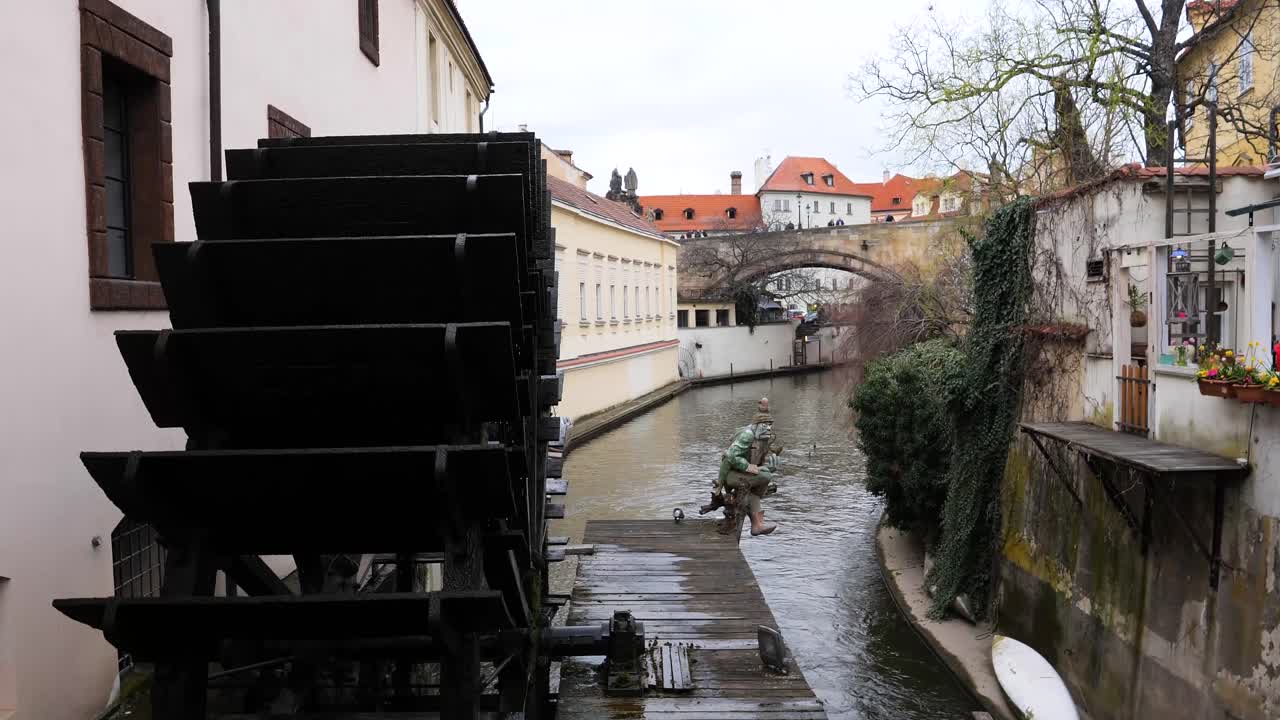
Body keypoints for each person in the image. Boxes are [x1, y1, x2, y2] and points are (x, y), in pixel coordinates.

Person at [700, 398, 778, 535]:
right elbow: (730, 456)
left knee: (764, 477)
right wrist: (752, 468)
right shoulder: (747, 435)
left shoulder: (763, 439)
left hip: (743, 473)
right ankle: (756, 524)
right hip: (731, 474)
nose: (769, 428)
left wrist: (768, 467)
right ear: (756, 425)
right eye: (765, 424)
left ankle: (758, 525)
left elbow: (758, 463)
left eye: (770, 425)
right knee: (765, 476)